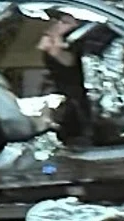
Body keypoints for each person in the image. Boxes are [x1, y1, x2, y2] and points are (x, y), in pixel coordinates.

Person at [37, 9, 91, 144]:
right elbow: (67, 60)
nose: (58, 24)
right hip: (77, 97)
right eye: (59, 21)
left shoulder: (78, 42)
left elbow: (68, 60)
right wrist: (54, 47)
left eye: (65, 22)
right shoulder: (56, 46)